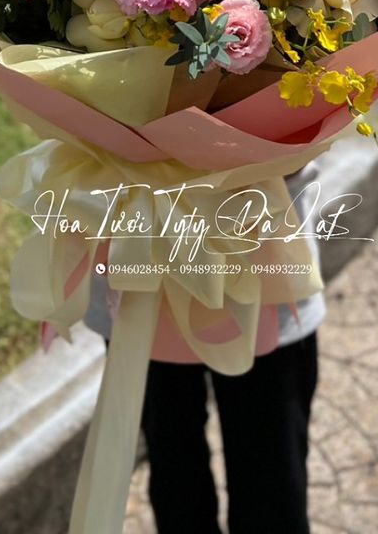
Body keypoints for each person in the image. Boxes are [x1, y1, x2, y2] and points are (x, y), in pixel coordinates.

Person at [85, 162, 327, 534]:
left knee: (273, 474)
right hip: (138, 265)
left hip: (263, 254)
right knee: (173, 466)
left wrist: (282, 151)